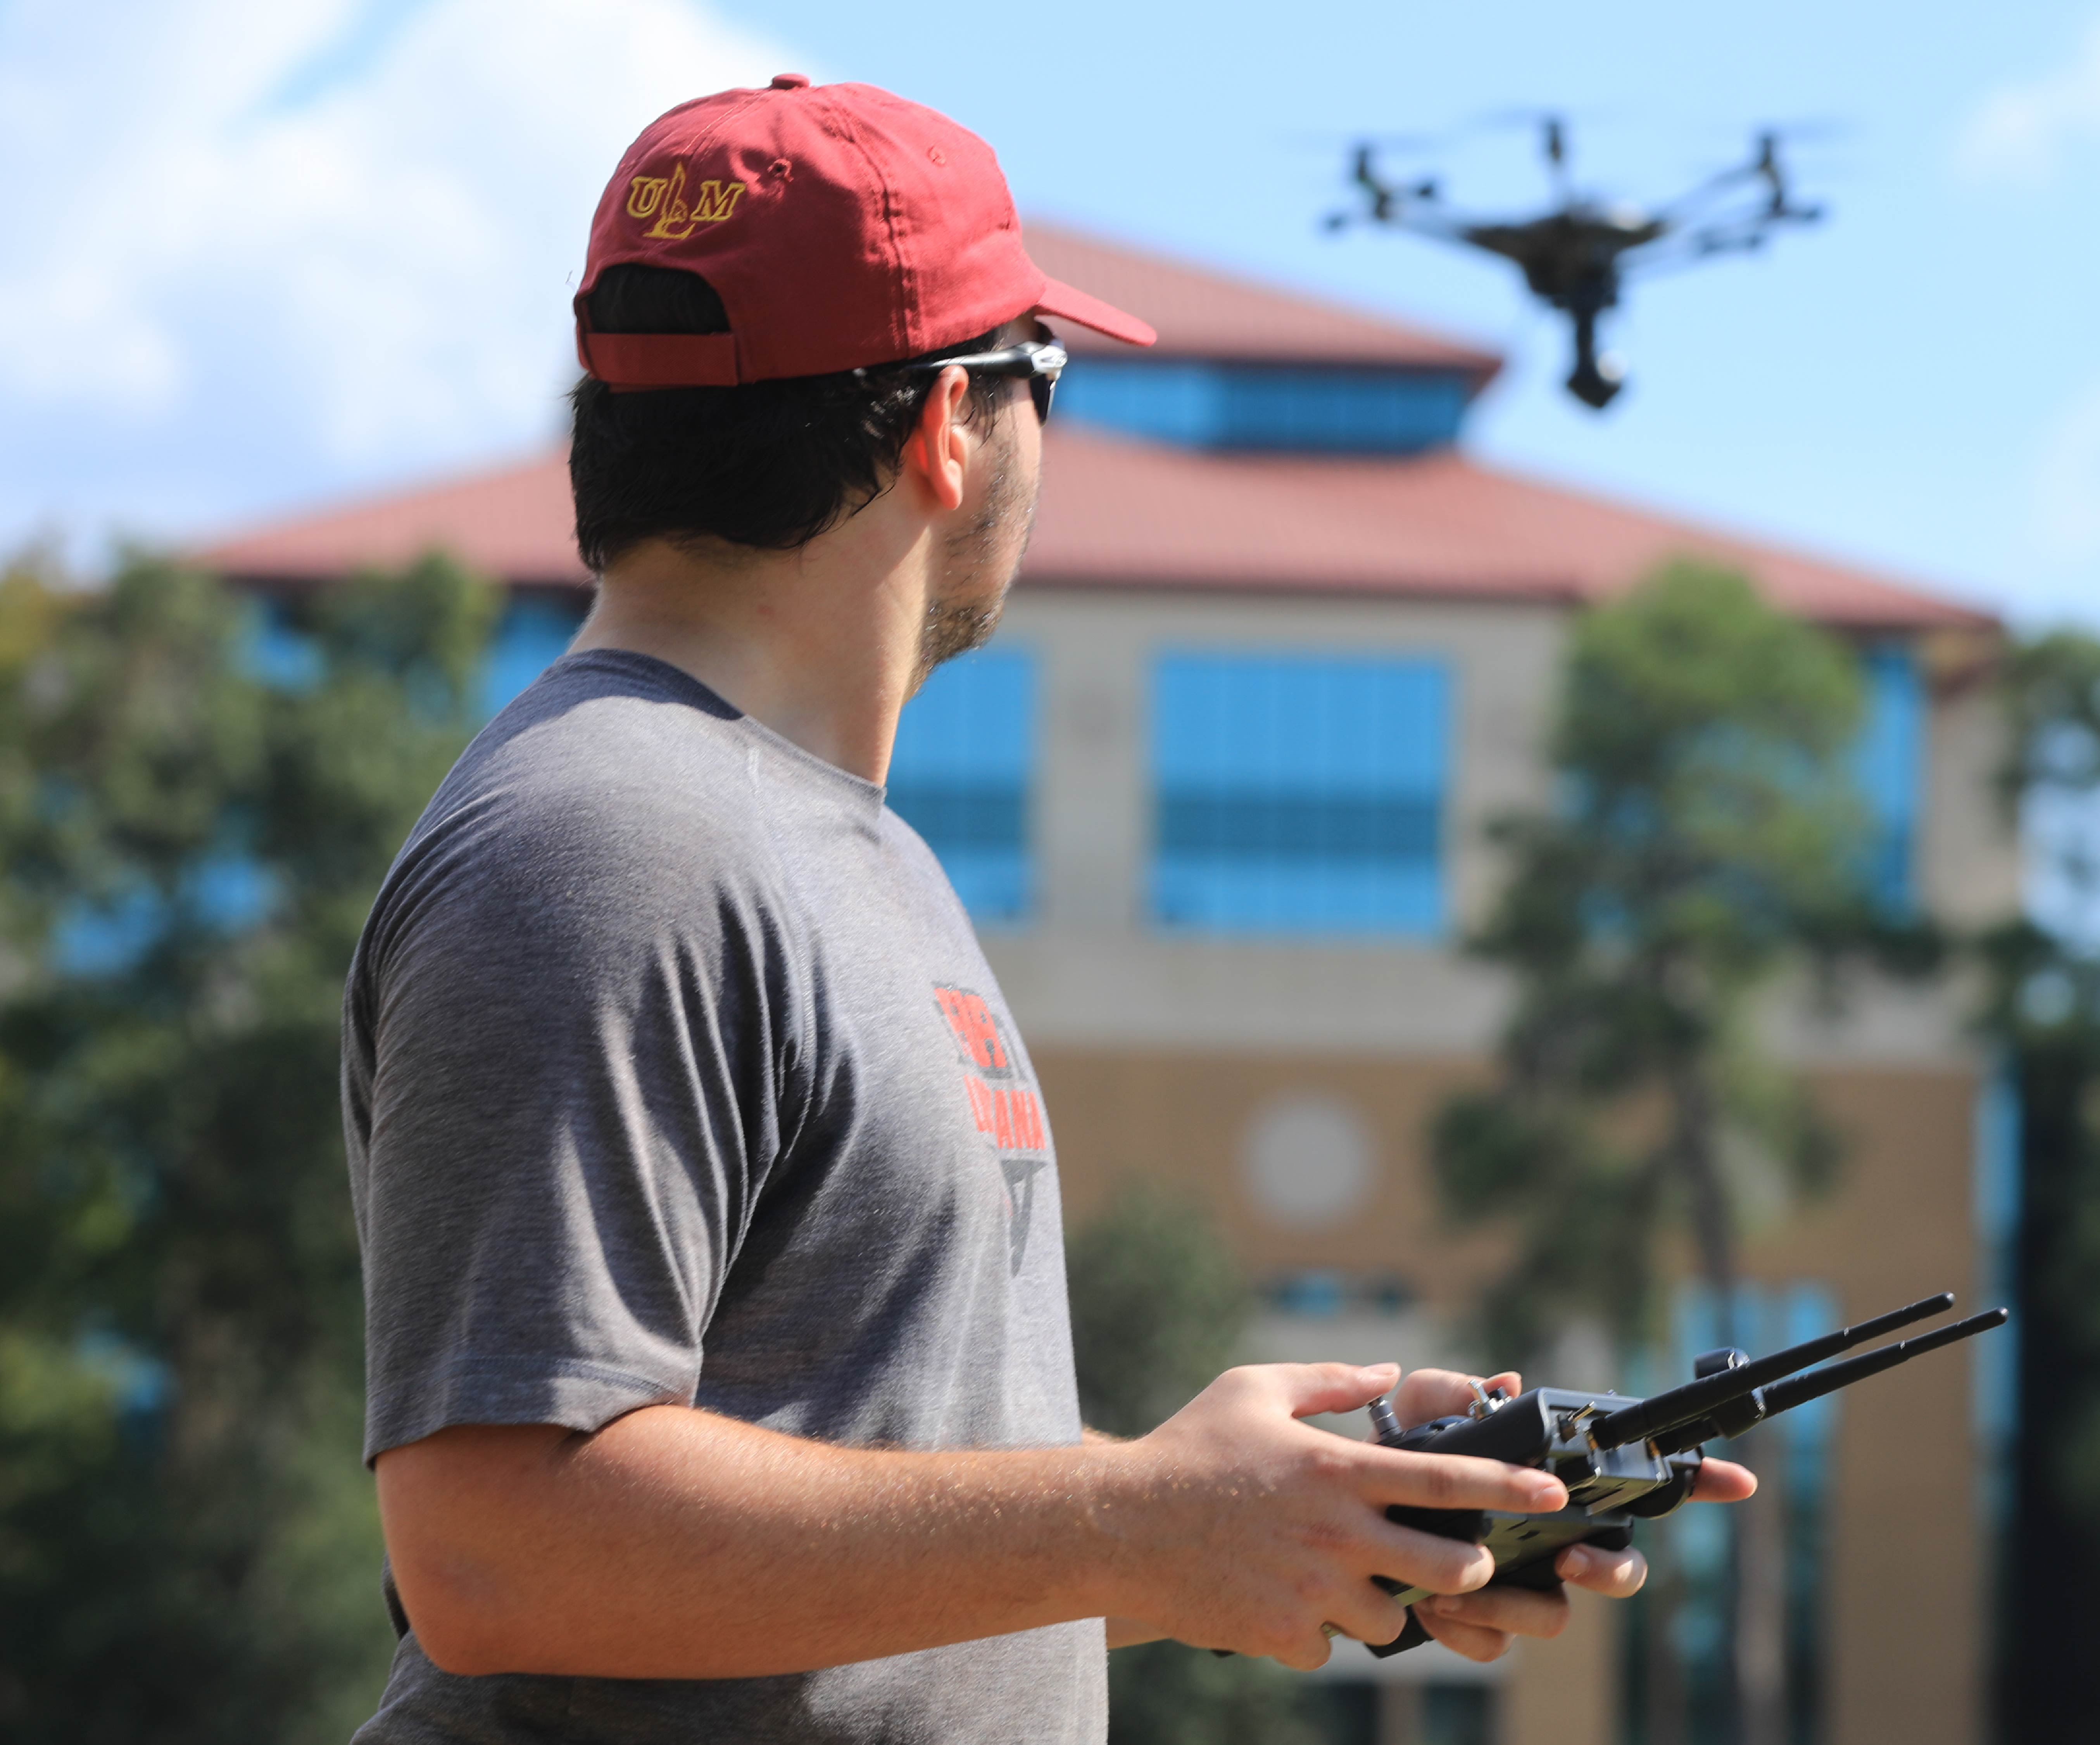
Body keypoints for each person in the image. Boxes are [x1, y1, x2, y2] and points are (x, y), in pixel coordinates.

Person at [343, 76, 1751, 1744]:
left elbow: (864, 1488)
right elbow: (498, 1546)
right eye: (1048, 382)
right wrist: (1131, 1522)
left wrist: (1253, 1519)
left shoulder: (811, 842)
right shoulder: (612, 843)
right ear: (949, 424)